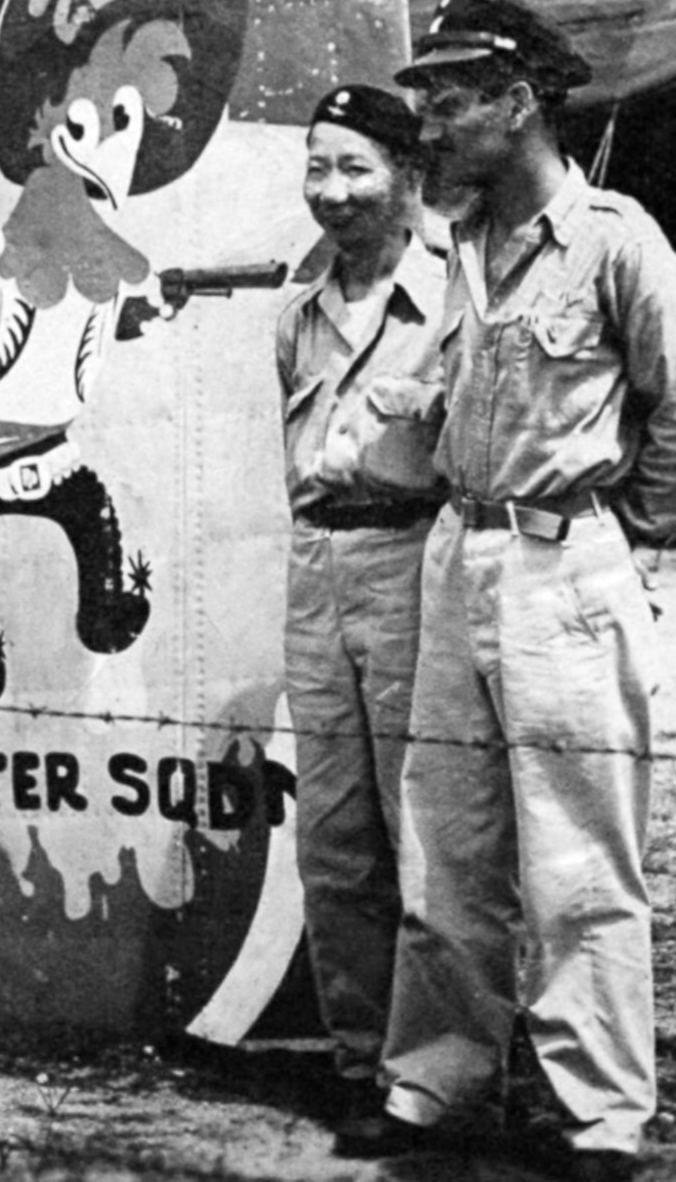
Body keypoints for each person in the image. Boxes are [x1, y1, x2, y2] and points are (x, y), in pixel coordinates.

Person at [338, 0, 676, 1178]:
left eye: (451, 99)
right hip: (453, 558)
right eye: (424, 100)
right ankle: (433, 1080)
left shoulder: (615, 239)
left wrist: (608, 536)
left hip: (562, 564)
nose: (433, 123)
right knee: (445, 853)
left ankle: (598, 1114)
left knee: (576, 863)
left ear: (518, 104)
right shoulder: (452, 246)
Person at [275, 85, 446, 1116]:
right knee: (332, 837)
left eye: (355, 170)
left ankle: (433, 1075)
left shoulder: (452, 301)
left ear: (406, 179)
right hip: (317, 565)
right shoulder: (297, 312)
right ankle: (358, 1061)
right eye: (317, 169)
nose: (332, 193)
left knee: (422, 831)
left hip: (410, 562)